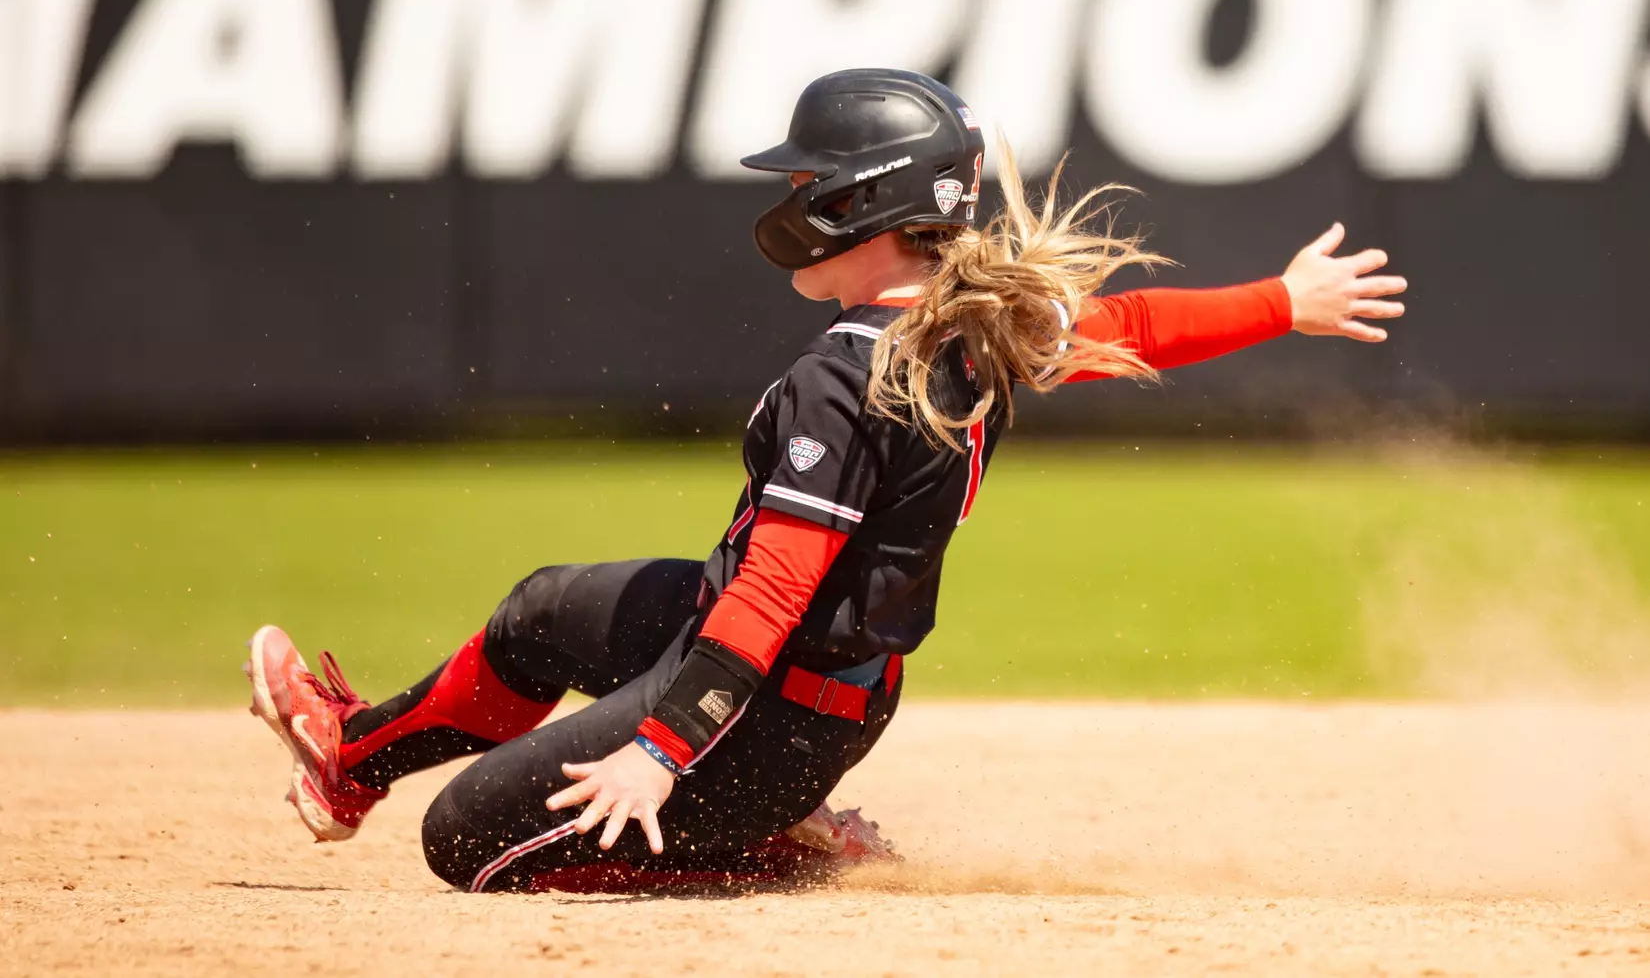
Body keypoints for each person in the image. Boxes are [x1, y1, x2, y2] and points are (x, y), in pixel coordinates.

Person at [245, 68, 1405, 893]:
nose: (793, 198)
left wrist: (661, 748)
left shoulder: (846, 378)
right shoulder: (974, 325)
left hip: (767, 712)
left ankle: (760, 841)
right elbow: (1134, 322)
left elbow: (773, 595)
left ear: (868, 207)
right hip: (813, 686)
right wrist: (1284, 302)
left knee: (466, 843)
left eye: (815, 180)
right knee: (546, 609)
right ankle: (352, 758)